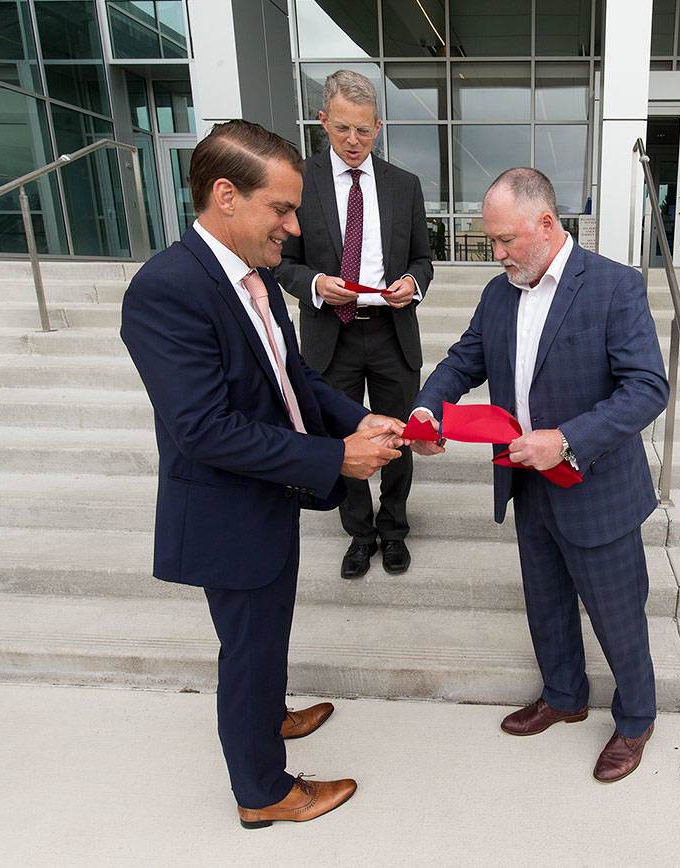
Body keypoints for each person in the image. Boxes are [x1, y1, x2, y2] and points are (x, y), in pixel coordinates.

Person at [120, 119, 409, 828]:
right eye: (281, 208)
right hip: (226, 509)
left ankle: (266, 717)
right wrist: (335, 459)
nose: (293, 226)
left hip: (268, 493)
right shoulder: (167, 288)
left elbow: (295, 377)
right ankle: (262, 792)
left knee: (265, 633)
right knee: (248, 648)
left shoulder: (252, 277)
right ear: (225, 195)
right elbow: (204, 429)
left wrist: (355, 420)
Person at [411, 168, 669, 783]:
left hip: (595, 487)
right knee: (546, 602)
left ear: (546, 224)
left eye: (505, 241)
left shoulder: (613, 286)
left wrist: (568, 441)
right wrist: (427, 407)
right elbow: (463, 359)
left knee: (617, 613)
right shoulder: (501, 292)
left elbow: (647, 389)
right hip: (526, 482)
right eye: (491, 242)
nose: (496, 255)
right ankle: (564, 695)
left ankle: (636, 719)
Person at [274, 69, 434, 581]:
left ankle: (394, 530)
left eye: (363, 131)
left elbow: (423, 259)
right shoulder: (300, 182)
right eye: (342, 128)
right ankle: (359, 535)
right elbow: (281, 261)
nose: (352, 141)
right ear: (323, 121)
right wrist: (317, 284)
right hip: (330, 334)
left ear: (378, 127)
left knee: (398, 437)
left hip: (390, 331)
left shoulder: (404, 186)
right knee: (342, 439)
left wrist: (412, 281)